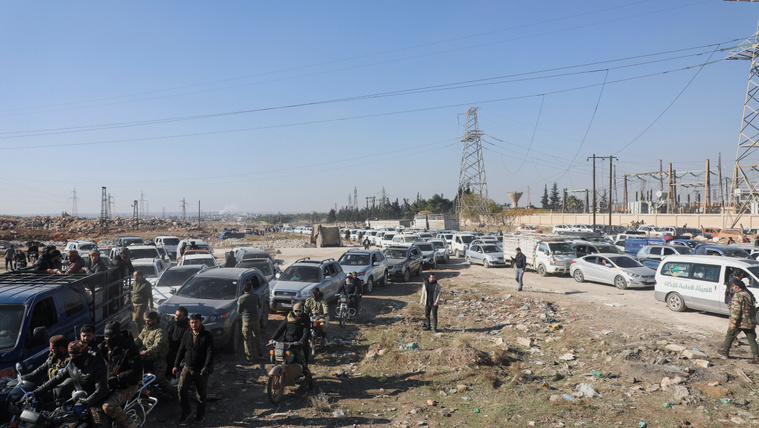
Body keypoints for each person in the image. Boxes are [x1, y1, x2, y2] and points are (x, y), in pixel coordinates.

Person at [33, 341, 109, 426]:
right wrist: (35, 392)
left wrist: (85, 403)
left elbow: (102, 390)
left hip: (95, 400)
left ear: (83, 353)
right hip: (78, 398)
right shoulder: (71, 364)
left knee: (98, 423)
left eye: (75, 356)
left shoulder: (97, 365)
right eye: (70, 356)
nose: (72, 359)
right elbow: (57, 379)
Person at [96, 321, 141, 428]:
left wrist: (119, 378)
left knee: (108, 407)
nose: (108, 339)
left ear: (118, 335)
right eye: (106, 337)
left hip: (128, 385)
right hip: (108, 383)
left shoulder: (129, 348)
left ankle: (132, 425)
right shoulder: (102, 348)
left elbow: (136, 370)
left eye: (111, 336)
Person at [173, 313, 214, 423]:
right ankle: (186, 411)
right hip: (188, 367)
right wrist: (176, 365)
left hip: (201, 369)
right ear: (189, 323)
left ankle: (200, 414)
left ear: (200, 322)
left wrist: (206, 367)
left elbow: (210, 352)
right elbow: (181, 349)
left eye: (196, 322)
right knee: (181, 390)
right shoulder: (187, 334)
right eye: (192, 322)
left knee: (200, 394)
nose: (194, 324)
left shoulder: (206, 335)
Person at [269, 303, 313, 390]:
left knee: (304, 365)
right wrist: (273, 338)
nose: (298, 313)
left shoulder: (305, 318)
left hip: (298, 344)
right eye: (296, 311)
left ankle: (310, 384)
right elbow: (281, 329)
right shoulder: (288, 318)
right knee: (274, 356)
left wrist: (301, 342)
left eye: (300, 311)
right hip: (286, 343)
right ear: (293, 311)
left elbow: (306, 331)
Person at [718, 272, 759, 364]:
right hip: (750, 321)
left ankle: (725, 352)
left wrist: (733, 322)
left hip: (741, 321)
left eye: (733, 286)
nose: (732, 288)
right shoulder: (748, 294)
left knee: (730, 334)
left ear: (737, 286)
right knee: (752, 339)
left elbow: (736, 311)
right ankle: (756, 357)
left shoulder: (738, 296)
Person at [22, 335, 72, 407]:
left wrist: (36, 392)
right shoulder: (53, 358)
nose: (50, 350)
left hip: (60, 398)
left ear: (61, 348)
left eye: (52, 348)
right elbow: (36, 372)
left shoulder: (70, 362)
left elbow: (56, 379)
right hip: (47, 392)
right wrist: (19, 379)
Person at [137, 311, 173, 396]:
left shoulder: (160, 331)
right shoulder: (146, 329)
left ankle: (173, 393)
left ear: (155, 320)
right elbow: (139, 340)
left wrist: (147, 351)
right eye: (146, 320)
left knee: (158, 378)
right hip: (145, 357)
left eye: (149, 321)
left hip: (157, 358)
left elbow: (158, 345)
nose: (147, 322)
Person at [237, 282, 264, 362]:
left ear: (243, 289)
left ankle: (249, 358)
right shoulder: (255, 296)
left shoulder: (241, 298)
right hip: (255, 319)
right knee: (257, 337)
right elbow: (259, 305)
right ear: (251, 289)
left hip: (246, 320)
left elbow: (239, 311)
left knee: (247, 340)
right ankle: (260, 354)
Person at [165, 307, 189, 380]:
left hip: (179, 350)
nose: (177, 317)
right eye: (176, 315)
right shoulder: (172, 322)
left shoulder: (187, 327)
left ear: (184, 317)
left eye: (179, 316)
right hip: (169, 346)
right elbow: (166, 333)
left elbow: (183, 343)